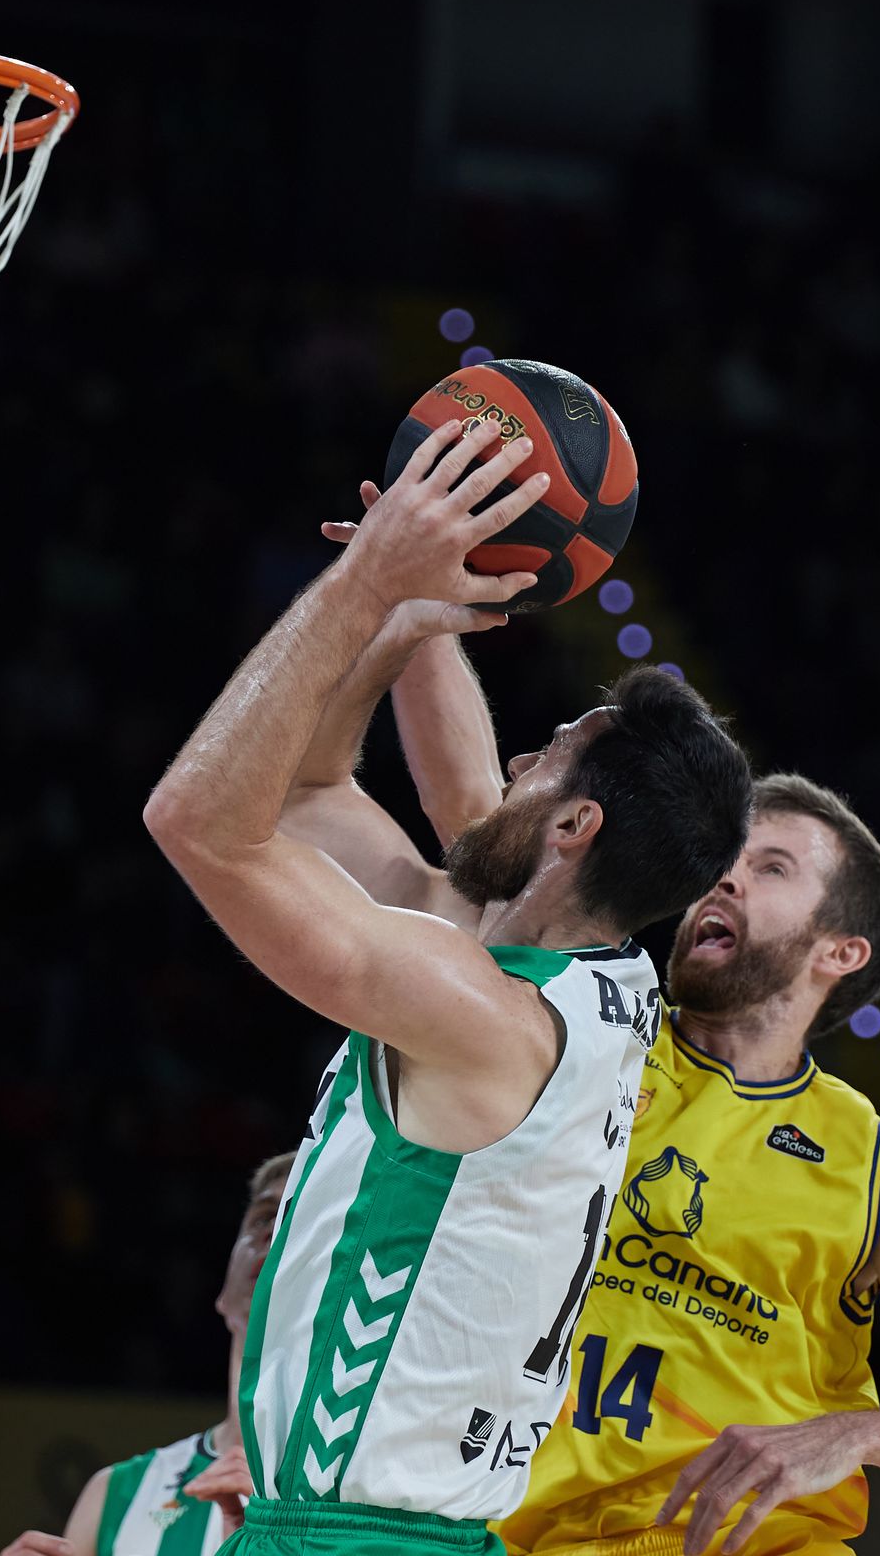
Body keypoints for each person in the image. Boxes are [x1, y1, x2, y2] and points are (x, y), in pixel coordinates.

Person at [142, 417, 754, 1556]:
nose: (515, 763)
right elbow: (316, 787)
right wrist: (410, 617)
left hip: (351, 1535)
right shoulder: (565, 988)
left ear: (576, 825)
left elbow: (202, 823)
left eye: (548, 755)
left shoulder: (480, 1015)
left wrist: (362, 580)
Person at [369, 618, 880, 1556]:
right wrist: (421, 609)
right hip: (513, 1533)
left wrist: (853, 1434)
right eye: (723, 861)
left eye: (768, 868)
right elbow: (482, 815)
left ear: (839, 951)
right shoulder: (585, 1025)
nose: (723, 881)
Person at [0, 1152, 295, 1556]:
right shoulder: (116, 1493)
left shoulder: (370, 1488)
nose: (272, 1231)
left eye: (298, 1218)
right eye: (263, 1217)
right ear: (222, 1296)